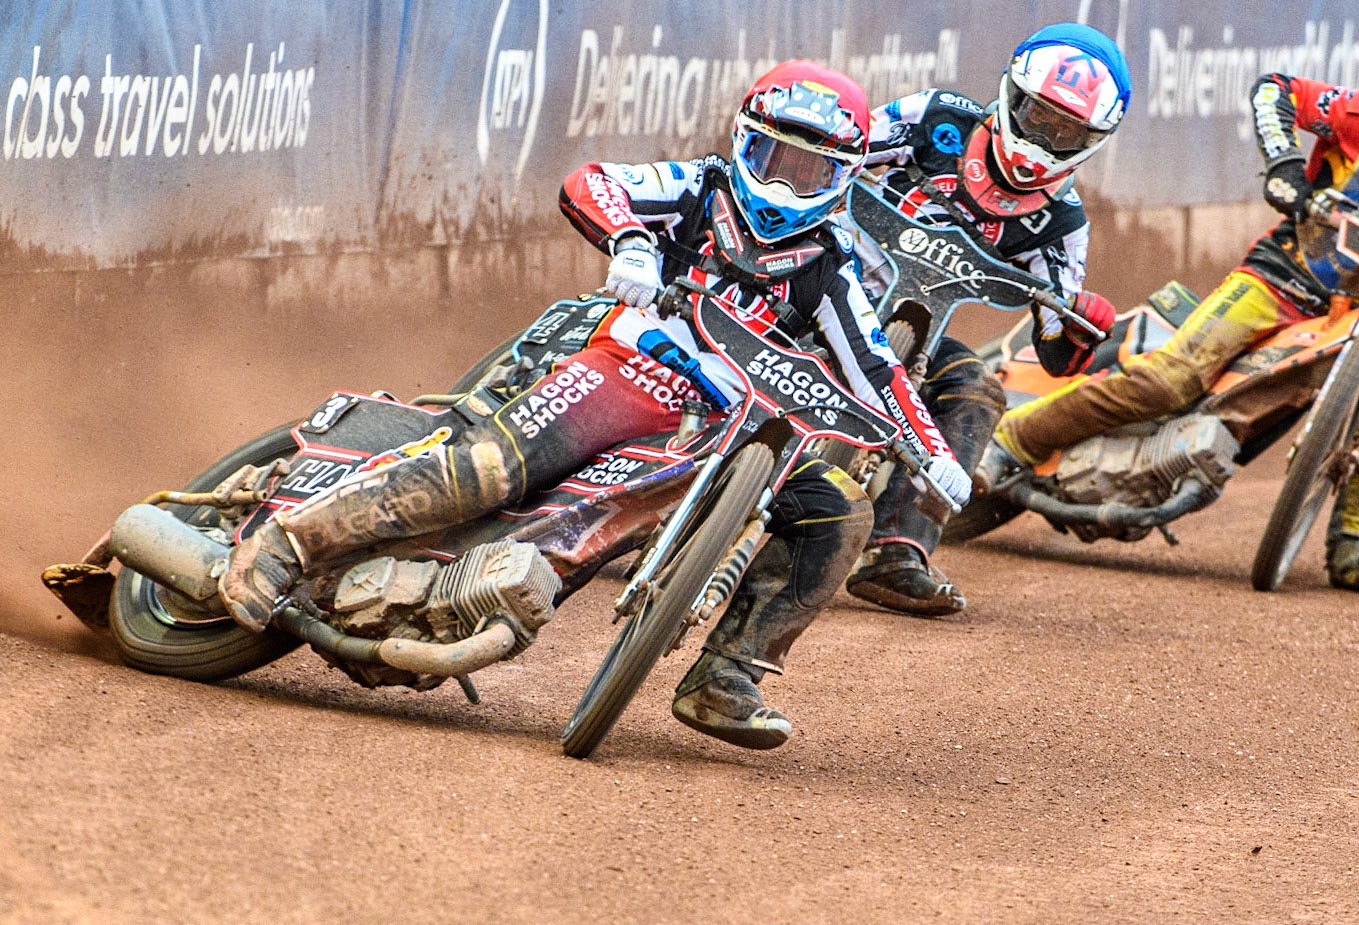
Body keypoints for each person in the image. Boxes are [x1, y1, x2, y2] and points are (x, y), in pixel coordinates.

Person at [218, 61, 972, 749]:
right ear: (746, 144)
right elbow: (593, 181)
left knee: (840, 509)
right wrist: (634, 243)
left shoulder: (834, 264)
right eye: (776, 157)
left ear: (843, 176)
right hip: (633, 366)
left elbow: (875, 364)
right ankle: (287, 544)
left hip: (725, 429)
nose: (787, 181)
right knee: (492, 469)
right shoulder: (700, 185)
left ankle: (725, 677)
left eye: (812, 170)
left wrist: (932, 451)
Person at [985, 35, 1359, 594]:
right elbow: (1275, 89)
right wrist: (1284, 163)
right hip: (1279, 278)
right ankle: (1011, 441)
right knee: (1173, 377)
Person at [838, 22, 1132, 616]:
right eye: (1038, 115)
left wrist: (1079, 324)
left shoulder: (1063, 225)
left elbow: (1055, 354)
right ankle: (667, 478)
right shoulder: (934, 117)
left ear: (1093, 140)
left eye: (1067, 130)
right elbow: (835, 154)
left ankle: (896, 552)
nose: (1045, 136)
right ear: (1010, 93)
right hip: (825, 279)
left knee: (977, 390)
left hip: (918, 332)